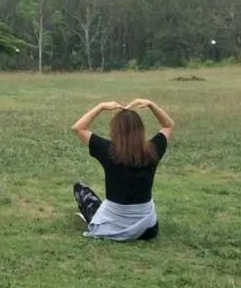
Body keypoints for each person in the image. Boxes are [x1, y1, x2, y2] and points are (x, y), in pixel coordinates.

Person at [70, 98, 174, 241]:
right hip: (148, 230)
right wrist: (151, 105)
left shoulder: (108, 150)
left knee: (80, 188)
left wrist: (101, 106)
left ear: (115, 130)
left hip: (112, 226)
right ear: (141, 129)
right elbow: (168, 125)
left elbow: (78, 128)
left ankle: (104, 221)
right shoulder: (152, 150)